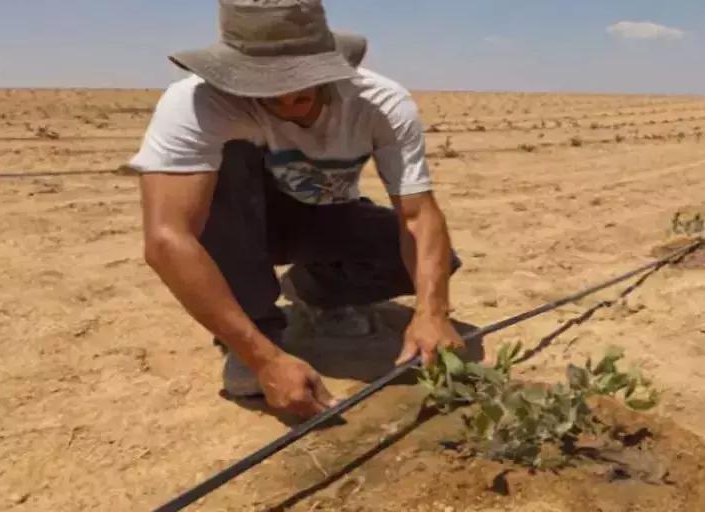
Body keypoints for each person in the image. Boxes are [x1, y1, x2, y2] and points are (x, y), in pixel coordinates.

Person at [128, 0, 464, 419]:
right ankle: (255, 332)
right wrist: (262, 359)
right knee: (226, 167)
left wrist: (432, 312)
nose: (289, 99)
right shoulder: (197, 105)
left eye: (304, 81)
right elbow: (167, 238)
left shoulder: (380, 103)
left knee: (434, 263)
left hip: (323, 213)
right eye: (267, 85)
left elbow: (417, 215)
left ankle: (317, 293)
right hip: (238, 224)